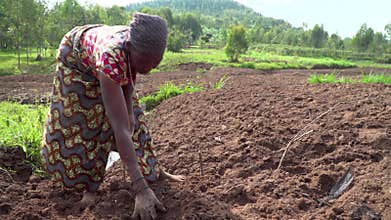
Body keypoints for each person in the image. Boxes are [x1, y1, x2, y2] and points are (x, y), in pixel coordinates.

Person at [42, 13, 184, 220]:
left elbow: (129, 71)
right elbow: (120, 127)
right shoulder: (111, 55)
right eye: (146, 61)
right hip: (76, 60)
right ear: (130, 46)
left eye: (157, 62)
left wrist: (129, 110)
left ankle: (153, 169)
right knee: (88, 123)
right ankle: (88, 188)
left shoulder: (132, 48)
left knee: (136, 118)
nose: (150, 68)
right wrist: (140, 189)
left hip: (106, 58)